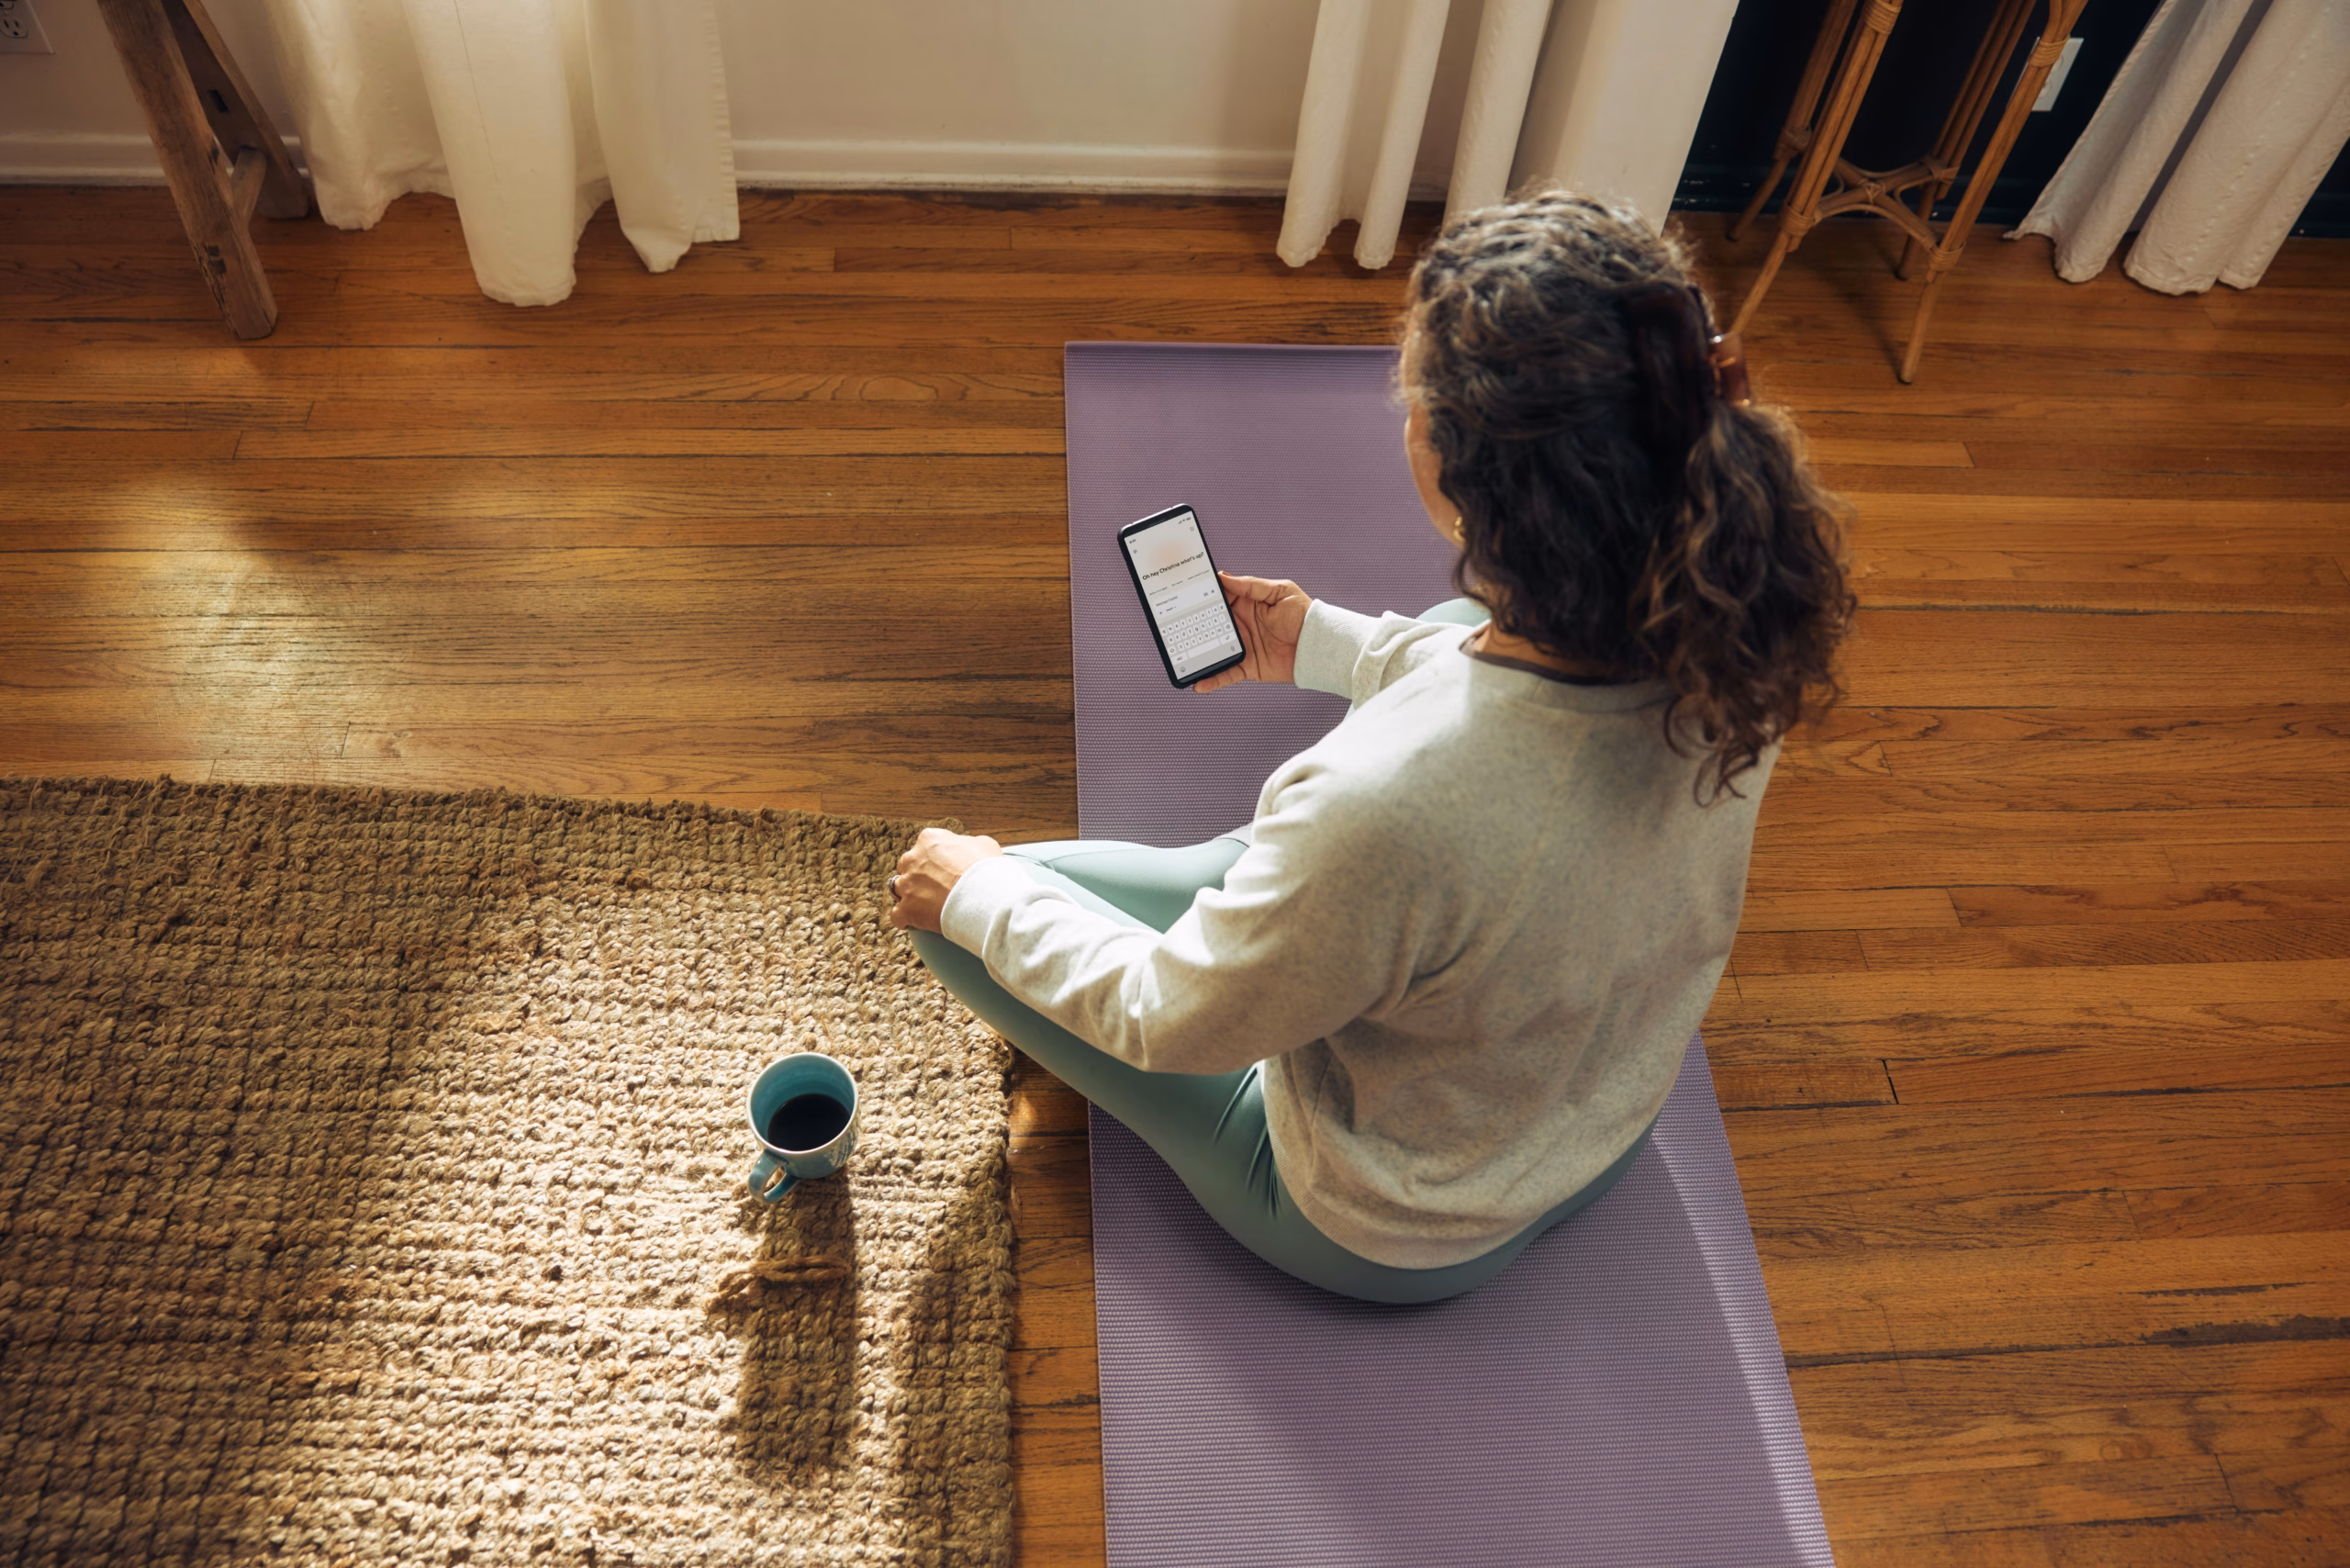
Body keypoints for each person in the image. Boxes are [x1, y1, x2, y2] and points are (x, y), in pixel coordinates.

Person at [889, 190, 1852, 1305]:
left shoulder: (1377, 804)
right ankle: (1281, 903)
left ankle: (1249, 905)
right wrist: (1320, 641)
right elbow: (1502, 715)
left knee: (962, 904)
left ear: (1455, 470)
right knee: (1444, 641)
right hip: (1600, 1127)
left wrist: (978, 898)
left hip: (1398, 1220)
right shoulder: (1737, 622)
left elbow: (1169, 1016)